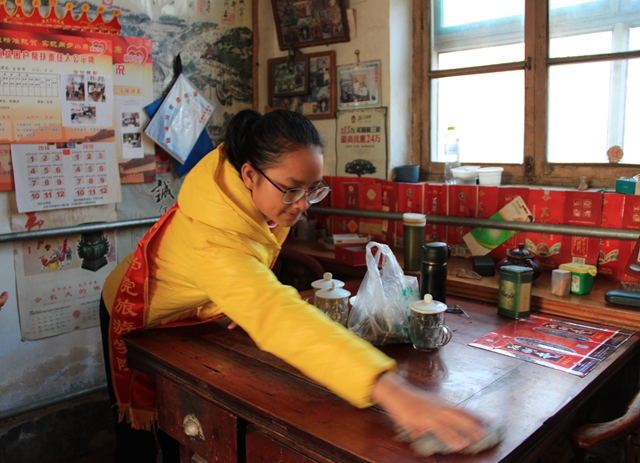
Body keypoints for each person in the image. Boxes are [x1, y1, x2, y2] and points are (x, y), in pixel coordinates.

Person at [100, 109, 490, 463]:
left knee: (180, 421)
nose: (303, 204)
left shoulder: (246, 187)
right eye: (292, 189)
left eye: (313, 188)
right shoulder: (211, 237)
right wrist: (394, 393)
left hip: (195, 311)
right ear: (249, 175)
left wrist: (240, 294)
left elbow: (253, 272)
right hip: (142, 311)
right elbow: (276, 315)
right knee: (143, 438)